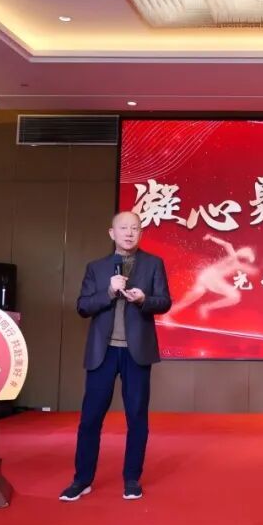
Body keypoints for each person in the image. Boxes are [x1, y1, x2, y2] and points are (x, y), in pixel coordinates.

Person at [60, 211, 171, 502]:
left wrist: (144, 299)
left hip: (137, 352)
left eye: (135, 228)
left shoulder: (153, 264)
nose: (129, 233)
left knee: (137, 417)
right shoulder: (96, 268)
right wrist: (109, 291)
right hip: (103, 351)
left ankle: (132, 479)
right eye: (123, 228)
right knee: (90, 419)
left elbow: (165, 302)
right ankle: (82, 479)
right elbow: (83, 306)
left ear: (141, 233)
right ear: (112, 233)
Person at [169, 233, 258, 319]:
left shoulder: (237, 262)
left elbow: (247, 267)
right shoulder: (234, 257)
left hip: (207, 276)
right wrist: (211, 238)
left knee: (189, 300)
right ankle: (205, 307)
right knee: (235, 296)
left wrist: (211, 238)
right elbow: (227, 245)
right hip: (210, 278)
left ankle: (168, 314)